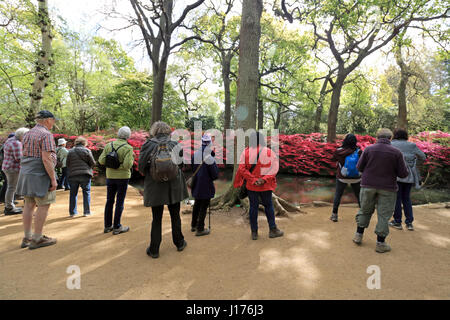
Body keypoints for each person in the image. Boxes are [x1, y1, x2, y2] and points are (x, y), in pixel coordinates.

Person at [352, 128, 409, 253]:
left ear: (377, 137)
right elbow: (403, 174)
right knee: (384, 215)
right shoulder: (397, 152)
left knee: (364, 210)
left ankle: (358, 235)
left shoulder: (368, 149)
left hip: (368, 185)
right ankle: (380, 243)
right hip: (388, 187)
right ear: (390, 138)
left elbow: (359, 167)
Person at [138, 121, 188, 259]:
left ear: (154, 131)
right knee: (175, 215)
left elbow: (141, 167)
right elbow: (182, 164)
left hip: (155, 186)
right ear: (168, 131)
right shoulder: (175, 144)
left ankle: (154, 249)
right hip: (174, 185)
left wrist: (151, 172)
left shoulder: (148, 144)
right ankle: (179, 243)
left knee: (157, 218)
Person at [16, 110, 60, 250]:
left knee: (28, 204)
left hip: (26, 172)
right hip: (40, 173)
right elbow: (46, 159)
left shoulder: (27, 133)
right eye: (53, 120)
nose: (54, 123)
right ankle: (37, 238)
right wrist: (53, 179)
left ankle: (27, 236)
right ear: (48, 120)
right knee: (43, 204)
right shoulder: (46, 134)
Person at [233, 131, 283, 240]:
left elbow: (241, 169)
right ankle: (273, 229)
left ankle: (254, 232)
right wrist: (263, 180)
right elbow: (274, 168)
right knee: (268, 206)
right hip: (266, 186)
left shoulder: (245, 152)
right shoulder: (269, 152)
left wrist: (253, 179)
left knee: (253, 207)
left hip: (252, 186)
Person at [98, 126, 134, 235]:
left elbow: (101, 160)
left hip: (110, 176)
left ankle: (107, 226)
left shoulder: (109, 145)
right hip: (123, 178)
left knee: (109, 200)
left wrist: (112, 166)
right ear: (128, 136)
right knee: (119, 201)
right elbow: (128, 165)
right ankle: (117, 226)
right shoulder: (128, 148)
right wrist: (120, 166)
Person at [390, 128, 426, 231]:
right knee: (406, 198)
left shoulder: (392, 144)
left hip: (396, 174)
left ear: (395, 135)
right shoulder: (412, 145)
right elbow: (423, 157)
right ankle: (409, 223)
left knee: (397, 198)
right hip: (409, 175)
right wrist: (414, 162)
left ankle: (397, 221)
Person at [190, 133, 219, 236]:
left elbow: (192, 168)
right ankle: (200, 229)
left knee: (197, 204)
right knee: (204, 206)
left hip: (196, 183)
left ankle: (193, 225)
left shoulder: (195, 154)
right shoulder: (209, 157)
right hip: (206, 185)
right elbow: (215, 174)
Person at [330, 133, 362, 222]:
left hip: (342, 177)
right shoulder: (359, 151)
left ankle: (334, 215)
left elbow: (332, 159)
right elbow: (363, 163)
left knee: (338, 195)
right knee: (359, 196)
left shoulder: (339, 151)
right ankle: (361, 216)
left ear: (345, 141)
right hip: (356, 177)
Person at [2, 128, 29, 215]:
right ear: (22, 135)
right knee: (11, 187)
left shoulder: (10, 140)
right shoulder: (17, 143)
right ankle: (9, 207)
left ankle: (9, 206)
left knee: (11, 187)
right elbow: (19, 158)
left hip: (7, 167)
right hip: (12, 168)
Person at [66, 136, 96, 217]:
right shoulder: (87, 151)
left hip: (73, 175)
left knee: (73, 194)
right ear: (84, 143)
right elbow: (93, 163)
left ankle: (73, 212)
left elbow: (67, 164)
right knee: (86, 192)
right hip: (85, 174)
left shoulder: (70, 151)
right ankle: (86, 212)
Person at [0, 133, 16, 204]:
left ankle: (3, 199)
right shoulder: (7, 146)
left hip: (4, 166)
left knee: (7, 183)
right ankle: (6, 200)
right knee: (8, 183)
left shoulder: (5, 145)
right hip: (7, 167)